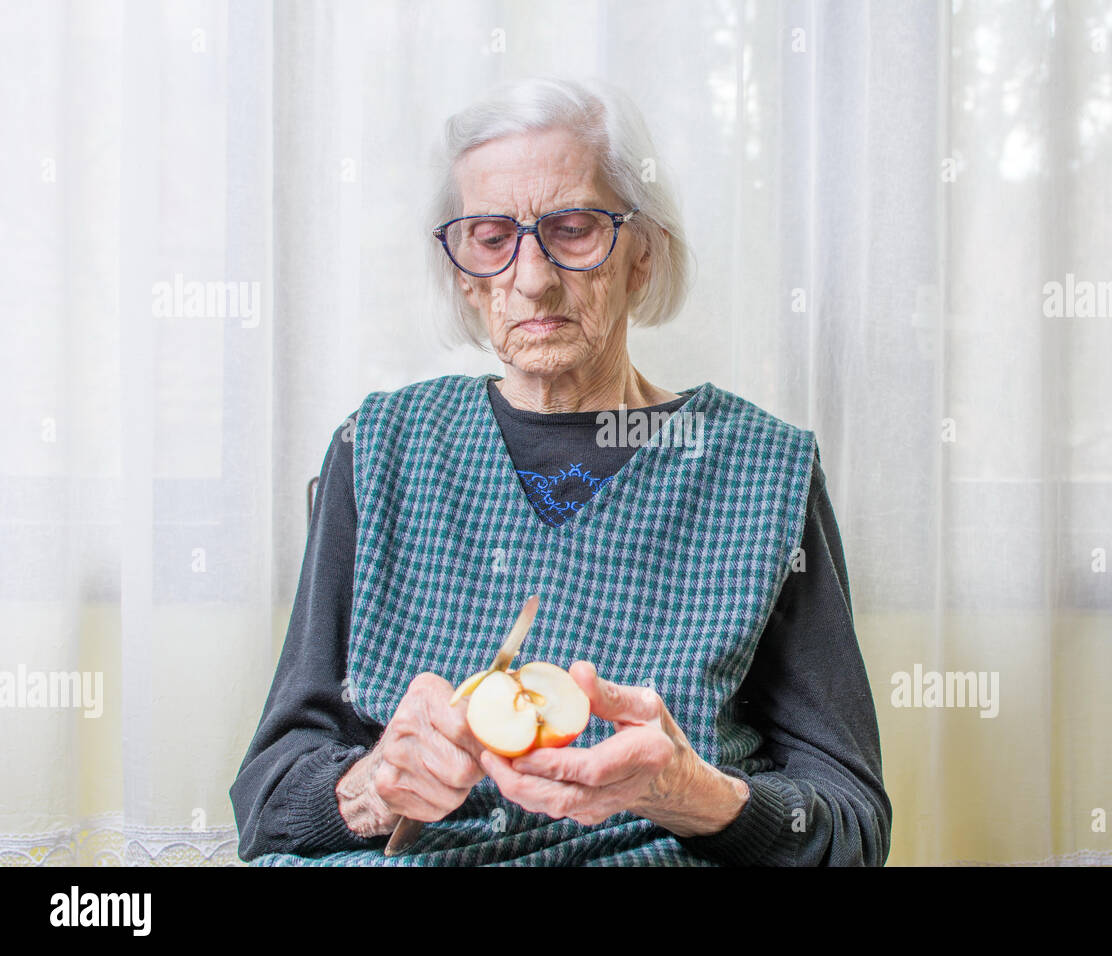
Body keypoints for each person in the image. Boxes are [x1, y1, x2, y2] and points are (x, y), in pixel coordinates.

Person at [229, 75, 890, 866]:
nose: (533, 278)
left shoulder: (760, 468)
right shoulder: (379, 449)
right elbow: (267, 808)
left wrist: (694, 794)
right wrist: (371, 785)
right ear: (464, 273)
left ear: (642, 255)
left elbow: (854, 830)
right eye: (490, 237)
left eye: (573, 229)